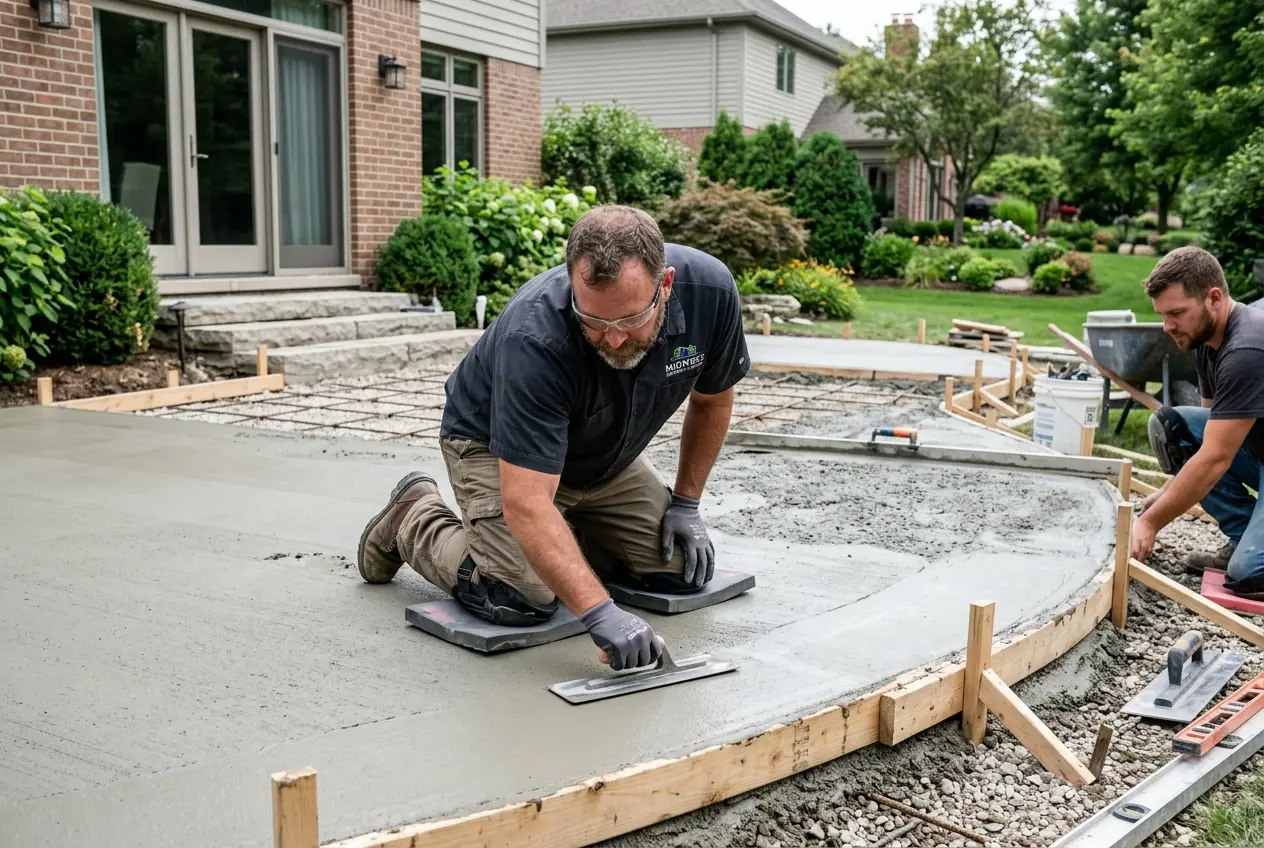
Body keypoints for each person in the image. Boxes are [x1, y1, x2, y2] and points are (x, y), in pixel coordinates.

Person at [356, 205, 750, 668]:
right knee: (519, 596)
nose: (615, 340)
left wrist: (686, 503)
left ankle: (563, 540)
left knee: (680, 569)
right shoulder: (535, 337)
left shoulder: (712, 292)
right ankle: (413, 516)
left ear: (664, 285)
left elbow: (713, 401)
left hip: (602, 455)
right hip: (493, 445)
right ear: (571, 284)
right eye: (594, 323)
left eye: (628, 320)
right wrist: (600, 613)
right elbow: (527, 499)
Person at [1131, 246, 1264, 598]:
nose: (1167, 326)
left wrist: (1150, 521)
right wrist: (1165, 495)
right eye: (1162, 314)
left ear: (1214, 298)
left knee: (1249, 577)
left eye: (1177, 312)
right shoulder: (1205, 340)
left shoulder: (1246, 350)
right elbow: (1207, 433)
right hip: (1259, 450)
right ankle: (1243, 537)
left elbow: (1216, 458)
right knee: (1172, 426)